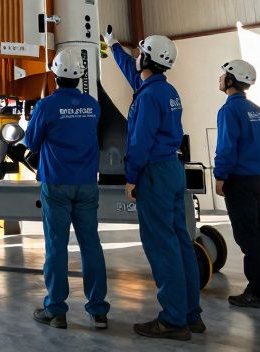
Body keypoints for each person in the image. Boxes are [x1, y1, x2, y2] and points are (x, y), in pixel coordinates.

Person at [104, 27, 203, 341]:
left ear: (147, 59)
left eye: (140, 53)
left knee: (162, 246)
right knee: (180, 242)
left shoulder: (148, 97)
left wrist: (131, 177)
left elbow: (140, 142)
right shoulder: (164, 91)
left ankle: (173, 320)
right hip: (172, 168)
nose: (136, 57)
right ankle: (191, 314)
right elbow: (130, 72)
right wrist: (113, 45)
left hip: (153, 173)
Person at [23, 46, 110, 330]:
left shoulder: (46, 106)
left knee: (56, 246)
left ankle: (56, 311)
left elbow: (31, 142)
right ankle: (98, 311)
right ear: (81, 75)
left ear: (55, 75)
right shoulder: (93, 106)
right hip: (87, 184)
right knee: (91, 245)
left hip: (57, 184)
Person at [213, 59, 260, 310]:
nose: (220, 78)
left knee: (249, 236)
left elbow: (227, 145)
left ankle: (258, 292)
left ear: (231, 80)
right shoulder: (257, 110)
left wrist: (221, 175)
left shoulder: (229, 110)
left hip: (239, 180)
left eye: (223, 75)